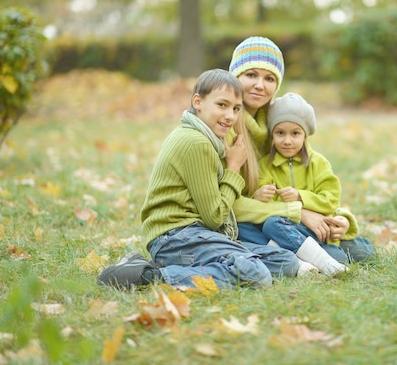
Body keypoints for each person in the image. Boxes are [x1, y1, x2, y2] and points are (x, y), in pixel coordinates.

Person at [97, 69, 299, 290]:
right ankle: (147, 276)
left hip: (197, 236)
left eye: (236, 108)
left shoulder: (207, 139)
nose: (230, 116)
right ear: (198, 101)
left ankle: (180, 267)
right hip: (175, 237)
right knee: (257, 274)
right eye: (222, 105)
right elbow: (214, 217)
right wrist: (233, 168)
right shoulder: (196, 142)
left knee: (285, 261)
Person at [227, 36, 376, 264]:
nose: (260, 85)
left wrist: (340, 218)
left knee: (360, 252)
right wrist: (299, 212)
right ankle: (298, 255)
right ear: (234, 77)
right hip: (259, 220)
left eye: (269, 78)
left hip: (297, 222)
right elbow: (230, 205)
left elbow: (322, 187)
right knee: (261, 229)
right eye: (250, 75)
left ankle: (306, 251)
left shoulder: (277, 125)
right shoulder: (226, 125)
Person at [240, 93, 356, 276]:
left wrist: (300, 197)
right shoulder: (265, 165)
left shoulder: (318, 163)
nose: (287, 140)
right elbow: (259, 204)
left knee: (344, 255)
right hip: (278, 227)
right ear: (272, 134)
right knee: (258, 225)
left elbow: (331, 200)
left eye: (295, 133)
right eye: (280, 133)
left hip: (310, 231)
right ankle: (309, 260)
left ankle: (309, 259)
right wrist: (258, 194)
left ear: (305, 135)